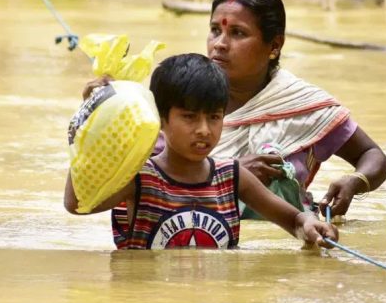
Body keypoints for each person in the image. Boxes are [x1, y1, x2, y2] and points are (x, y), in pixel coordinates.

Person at [83, 0, 386, 218]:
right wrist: (103, 109)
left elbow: (373, 155)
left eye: (238, 33)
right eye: (215, 30)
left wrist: (355, 181)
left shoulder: (306, 106)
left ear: (274, 46)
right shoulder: (171, 99)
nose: (219, 44)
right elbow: (120, 182)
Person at [65, 53, 338, 250]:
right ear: (161, 120)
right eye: (190, 117)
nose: (204, 130)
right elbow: (77, 205)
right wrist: (90, 129)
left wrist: (310, 225)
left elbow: (293, 220)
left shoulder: (233, 177)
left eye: (214, 117)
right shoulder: (141, 179)